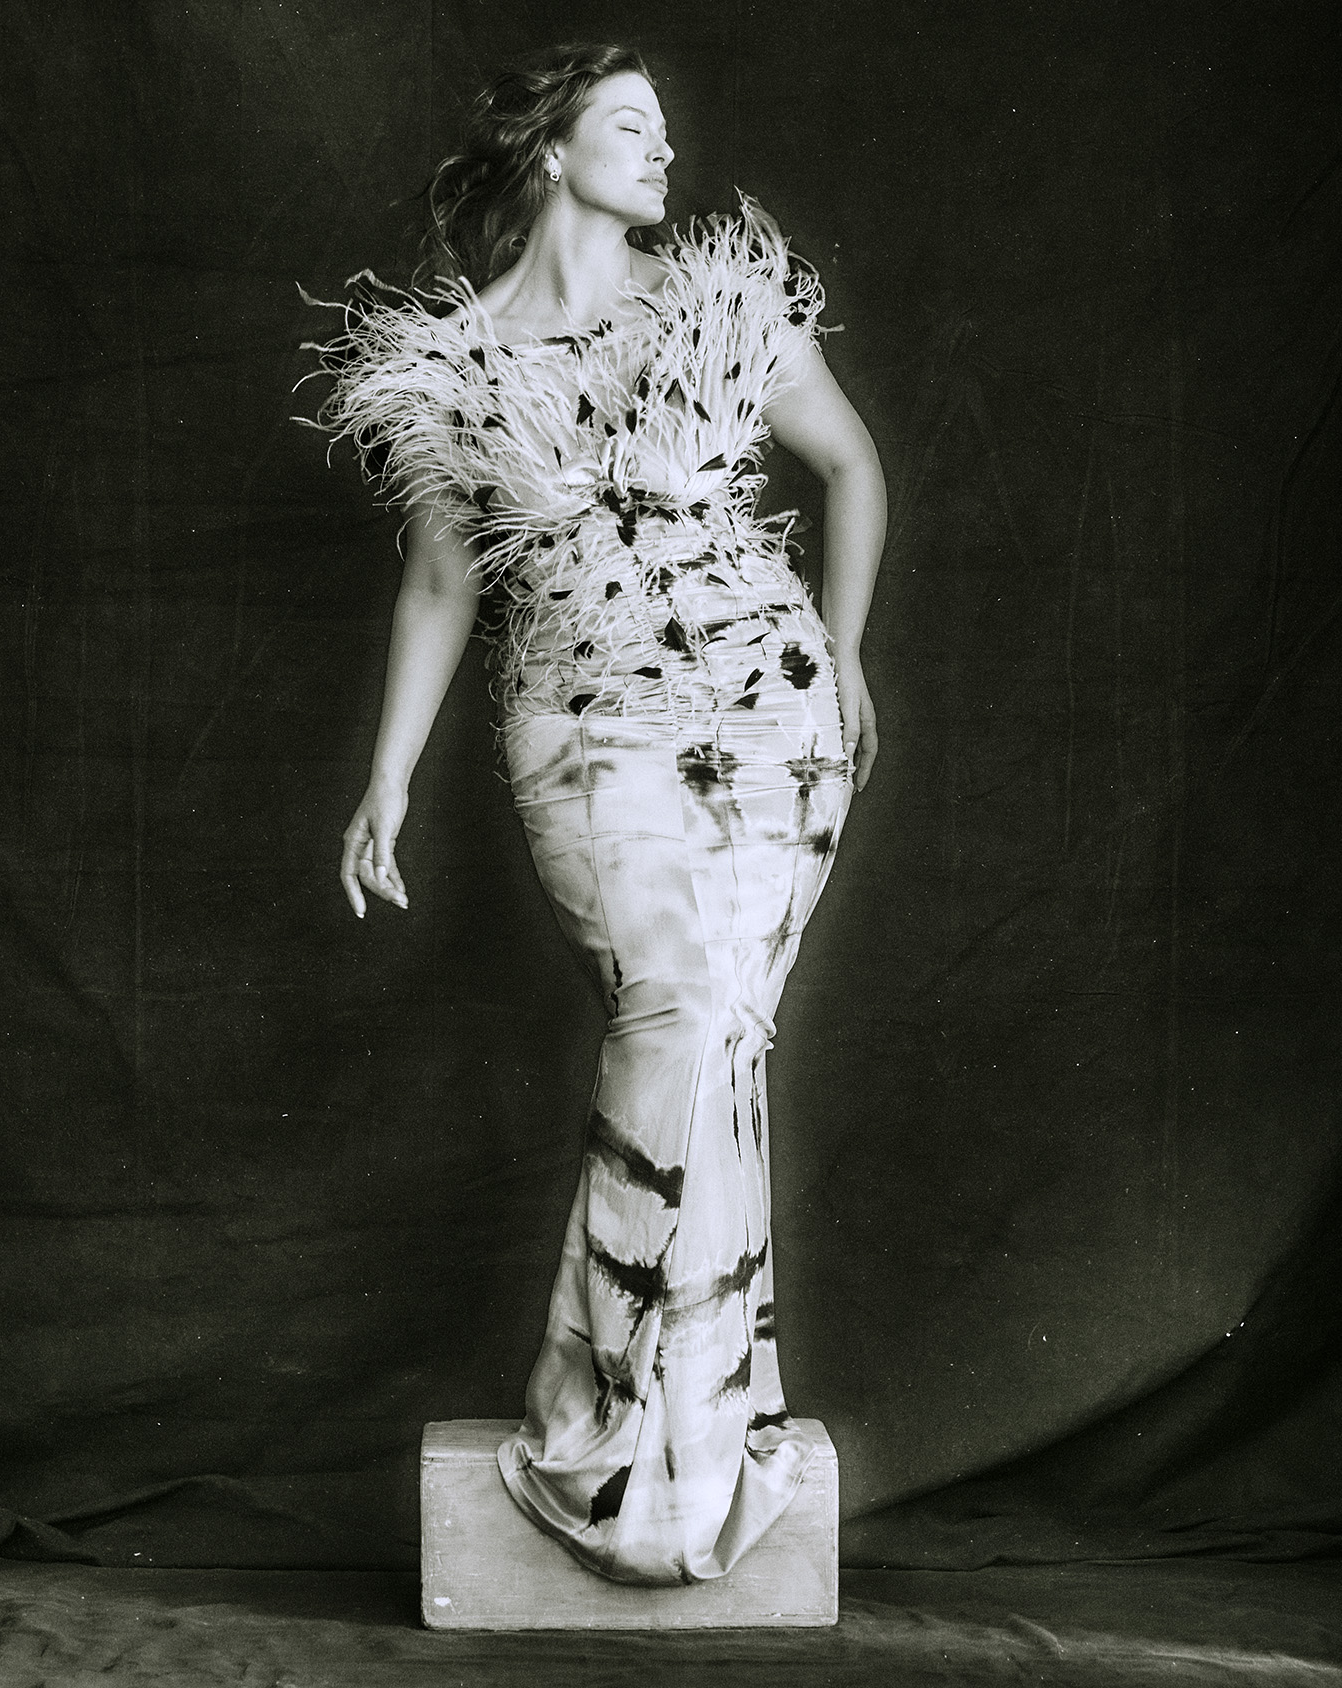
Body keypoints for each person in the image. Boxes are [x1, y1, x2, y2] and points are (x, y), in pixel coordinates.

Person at [312, 43, 885, 1585]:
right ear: (553, 152)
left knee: (714, 1036)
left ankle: (652, 1430)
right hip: (583, 733)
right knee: (678, 1017)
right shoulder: (460, 363)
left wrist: (842, 652)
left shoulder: (724, 301)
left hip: (770, 722)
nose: (664, 153)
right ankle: (647, 1427)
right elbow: (441, 580)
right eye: (630, 127)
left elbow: (849, 465)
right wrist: (391, 773)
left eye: (666, 131)